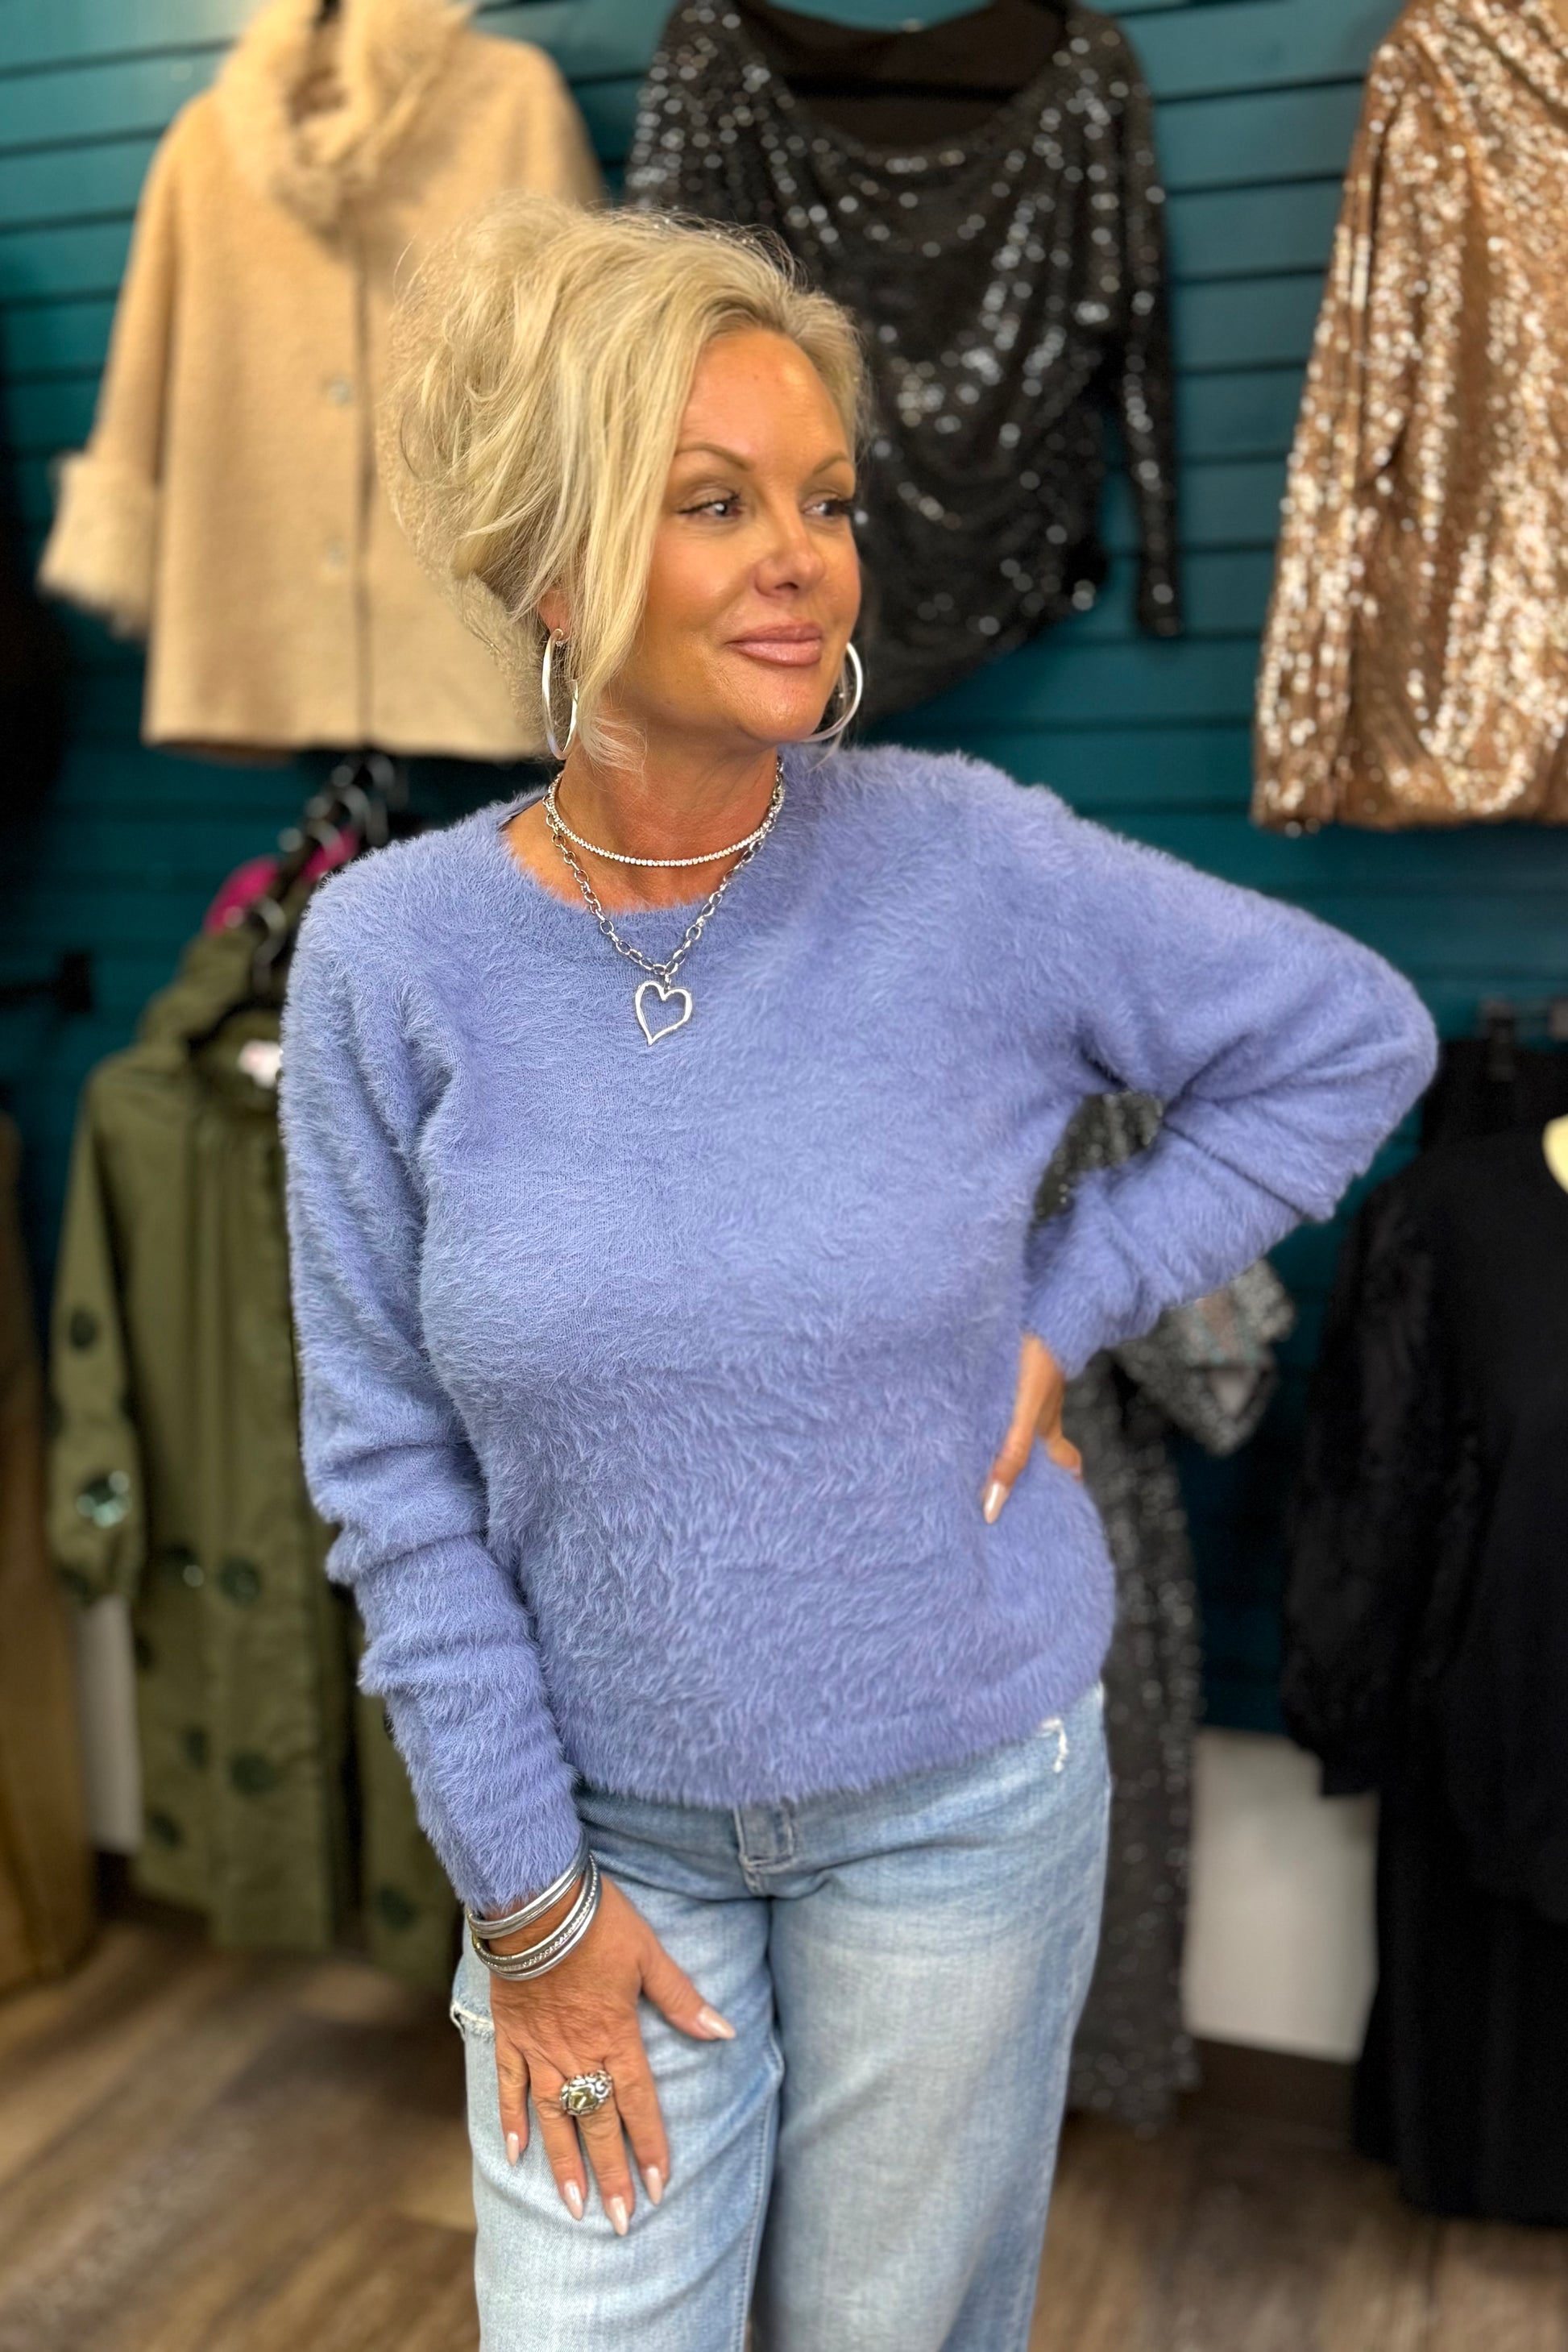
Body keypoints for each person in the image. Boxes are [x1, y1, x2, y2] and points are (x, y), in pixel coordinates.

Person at [279, 196, 1436, 2352]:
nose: (804, 558)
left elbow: (1345, 1037)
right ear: (552, 564)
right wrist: (529, 1912)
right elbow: (387, 1468)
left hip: (961, 1806)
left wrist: (1067, 1302)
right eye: (715, 501)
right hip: (591, 1838)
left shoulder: (964, 861)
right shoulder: (388, 956)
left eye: (825, 498)